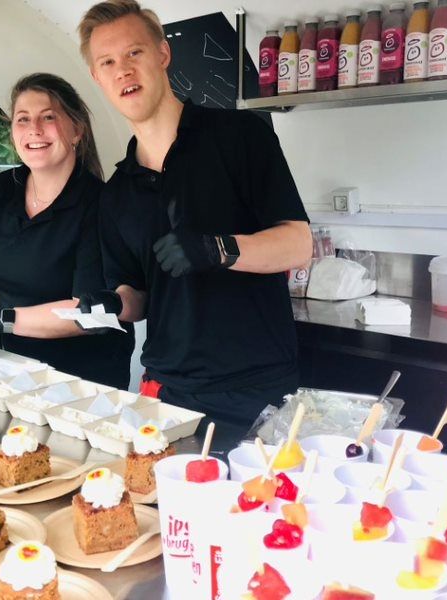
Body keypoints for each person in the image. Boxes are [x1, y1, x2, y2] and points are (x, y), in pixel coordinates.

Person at [75, 1, 312, 425]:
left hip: (257, 387)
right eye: (107, 62)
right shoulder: (115, 194)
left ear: (163, 54)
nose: (123, 70)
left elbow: (298, 244)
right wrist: (112, 303)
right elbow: (139, 295)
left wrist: (217, 249)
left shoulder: (241, 136)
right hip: (166, 390)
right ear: (98, 78)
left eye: (134, 53)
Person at [0, 73, 134, 389]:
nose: (34, 130)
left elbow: (86, 312)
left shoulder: (99, 203)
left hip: (87, 377)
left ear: (76, 131)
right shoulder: (1, 190)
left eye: (48, 117)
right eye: (23, 119)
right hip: (17, 367)